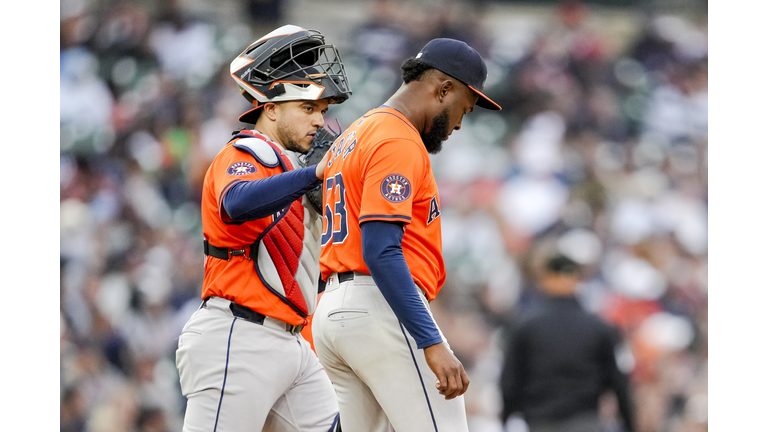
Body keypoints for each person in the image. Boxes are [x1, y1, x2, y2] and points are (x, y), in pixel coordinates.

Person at [311, 38, 502, 432]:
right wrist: (432, 342)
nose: (461, 122)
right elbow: (381, 250)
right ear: (443, 88)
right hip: (379, 306)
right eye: (463, 107)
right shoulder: (397, 137)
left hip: (335, 308)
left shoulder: (358, 131)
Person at [174, 25, 351, 432]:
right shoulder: (247, 150)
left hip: (289, 345)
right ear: (270, 107)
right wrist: (311, 178)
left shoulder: (291, 167)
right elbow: (236, 204)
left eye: (322, 110)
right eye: (308, 109)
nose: (320, 121)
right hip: (238, 335)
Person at [499, 253, 636, 432]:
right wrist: (630, 426)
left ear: (545, 279)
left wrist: (505, 419)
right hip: (586, 422)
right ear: (577, 280)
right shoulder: (599, 328)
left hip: (541, 423)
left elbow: (509, 383)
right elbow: (620, 383)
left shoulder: (525, 327)